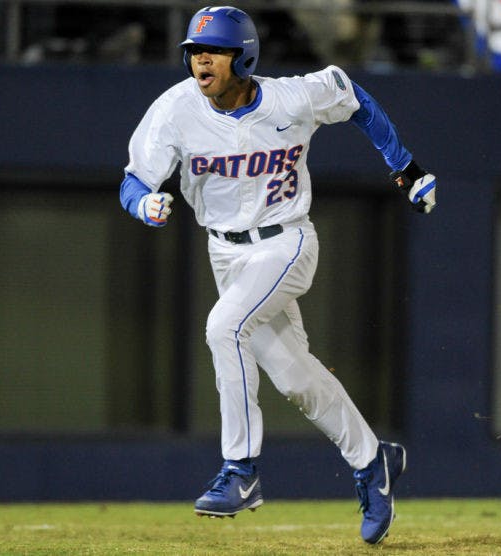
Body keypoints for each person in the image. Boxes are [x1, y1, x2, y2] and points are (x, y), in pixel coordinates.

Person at [120, 6, 436, 545]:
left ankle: (240, 470)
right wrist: (145, 203)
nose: (201, 61)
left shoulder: (293, 97)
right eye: (195, 52)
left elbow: (353, 96)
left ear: (243, 56)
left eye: (213, 51)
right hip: (227, 254)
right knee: (294, 378)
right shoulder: (174, 110)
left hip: (287, 242)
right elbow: (133, 180)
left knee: (224, 328)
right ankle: (373, 459)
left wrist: (405, 168)